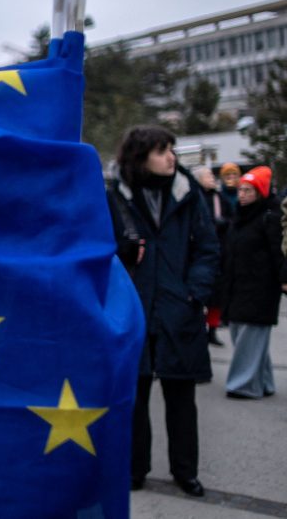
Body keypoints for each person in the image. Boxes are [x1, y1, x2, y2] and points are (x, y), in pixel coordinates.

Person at [110, 126, 219, 497]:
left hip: (179, 308)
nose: (171, 156)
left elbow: (208, 248)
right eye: (162, 150)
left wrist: (194, 294)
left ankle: (185, 471)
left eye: (172, 149)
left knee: (181, 396)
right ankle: (134, 468)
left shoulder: (188, 194)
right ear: (140, 157)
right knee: (134, 394)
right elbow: (98, 249)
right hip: (133, 308)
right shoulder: (115, 197)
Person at [219, 166, 284, 399]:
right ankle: (264, 382)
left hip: (261, 288)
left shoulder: (269, 217)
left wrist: (284, 279)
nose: (243, 194)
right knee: (244, 335)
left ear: (260, 193)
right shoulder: (239, 217)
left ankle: (242, 385)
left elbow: (279, 252)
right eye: (241, 190)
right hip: (238, 286)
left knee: (250, 335)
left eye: (249, 190)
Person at [192, 165, 232, 346]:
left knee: (216, 296)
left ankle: (212, 330)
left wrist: (225, 223)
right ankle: (198, 330)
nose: (212, 178)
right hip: (198, 253)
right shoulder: (193, 197)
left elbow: (233, 219)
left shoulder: (219, 197)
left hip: (219, 250)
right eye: (208, 175)